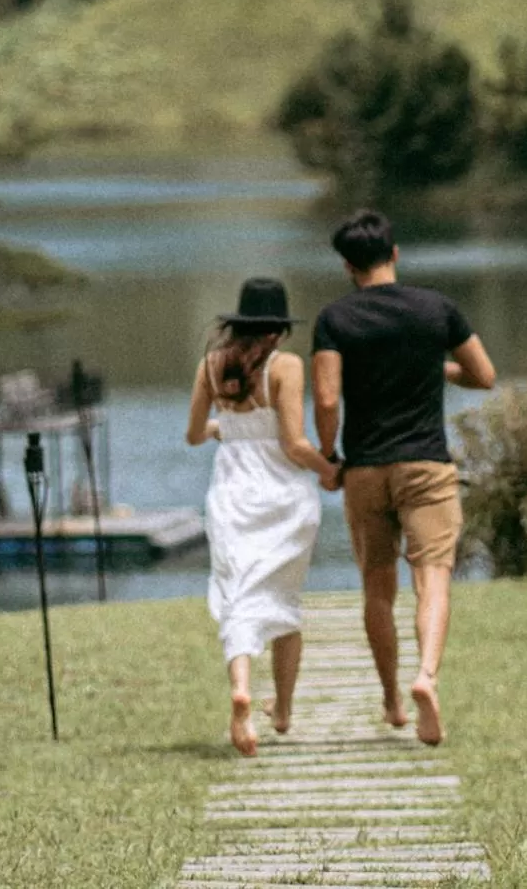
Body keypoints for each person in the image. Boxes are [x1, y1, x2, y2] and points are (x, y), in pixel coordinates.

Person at [312, 209, 497, 746]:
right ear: (394, 254)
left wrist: (329, 456)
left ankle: (392, 699)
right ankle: (427, 677)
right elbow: (484, 375)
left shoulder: (334, 319)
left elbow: (327, 397)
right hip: (426, 465)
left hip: (366, 467)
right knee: (432, 575)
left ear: (347, 266)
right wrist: (435, 367)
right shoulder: (437, 308)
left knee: (377, 585)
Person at [187, 276, 341, 757]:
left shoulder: (212, 366)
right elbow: (294, 443)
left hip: (232, 494)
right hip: (283, 499)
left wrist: (227, 429)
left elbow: (194, 434)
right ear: (278, 329)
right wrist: (330, 470)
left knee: (238, 595)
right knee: (282, 599)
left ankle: (241, 690)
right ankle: (284, 710)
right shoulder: (285, 366)